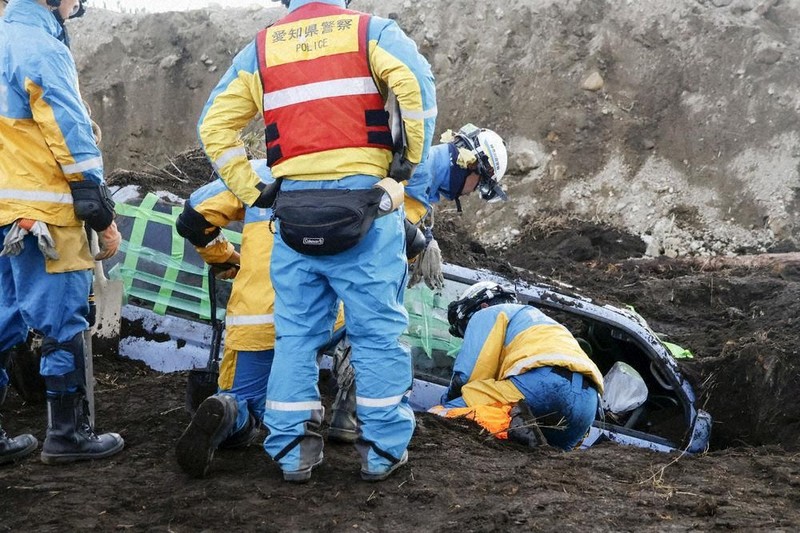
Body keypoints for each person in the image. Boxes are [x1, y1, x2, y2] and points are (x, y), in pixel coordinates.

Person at [197, 0, 436, 482]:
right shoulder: (372, 31)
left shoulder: (261, 48)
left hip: (293, 216)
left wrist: (254, 191)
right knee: (376, 336)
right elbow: (415, 85)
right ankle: (382, 453)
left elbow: (214, 126)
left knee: (296, 338)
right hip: (365, 212)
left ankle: (292, 455)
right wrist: (409, 159)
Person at [328, 123, 510, 442]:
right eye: (478, 184)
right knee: (377, 346)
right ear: (468, 163)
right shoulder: (414, 163)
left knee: (373, 345)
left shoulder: (422, 186)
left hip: (364, 290)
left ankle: (346, 421)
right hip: (351, 287)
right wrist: (412, 239)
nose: (470, 193)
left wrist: (416, 242)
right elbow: (362, 198)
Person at [0, 0, 124, 465]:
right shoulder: (38, 46)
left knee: (3, 320)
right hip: (43, 218)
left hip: (5, 215)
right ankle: (68, 435)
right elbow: (68, 127)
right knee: (61, 325)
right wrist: (95, 199)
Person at [174, 159, 345, 478]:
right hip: (323, 315)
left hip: (256, 317)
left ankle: (229, 411)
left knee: (245, 404)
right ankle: (348, 418)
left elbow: (193, 217)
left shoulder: (257, 173)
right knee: (351, 342)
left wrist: (224, 257)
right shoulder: (350, 169)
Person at [429, 282, 605, 450]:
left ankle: (510, 429)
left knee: (439, 417)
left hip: (543, 386)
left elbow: (467, 377)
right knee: (547, 459)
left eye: (465, 331)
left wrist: (447, 402)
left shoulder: (486, 314)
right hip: (588, 403)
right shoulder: (543, 323)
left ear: (482, 306)